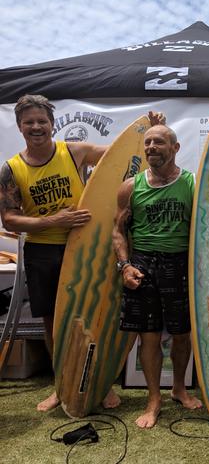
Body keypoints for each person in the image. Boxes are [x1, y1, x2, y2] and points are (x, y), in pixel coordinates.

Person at [0, 95, 163, 412]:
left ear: (51, 122)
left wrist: (151, 130)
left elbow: (125, 157)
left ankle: (102, 386)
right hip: (42, 250)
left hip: (86, 247)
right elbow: (9, 218)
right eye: (29, 122)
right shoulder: (11, 169)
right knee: (53, 321)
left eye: (42, 121)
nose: (36, 127)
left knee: (99, 312)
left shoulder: (73, 151)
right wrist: (54, 221)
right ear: (19, 126)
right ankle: (60, 386)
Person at [112, 124, 202, 429]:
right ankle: (154, 399)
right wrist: (124, 266)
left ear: (175, 148)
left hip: (180, 263)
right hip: (142, 264)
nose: (151, 146)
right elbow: (118, 232)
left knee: (181, 334)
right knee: (147, 336)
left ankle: (179, 388)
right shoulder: (130, 187)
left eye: (159, 142)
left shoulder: (192, 184)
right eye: (147, 142)